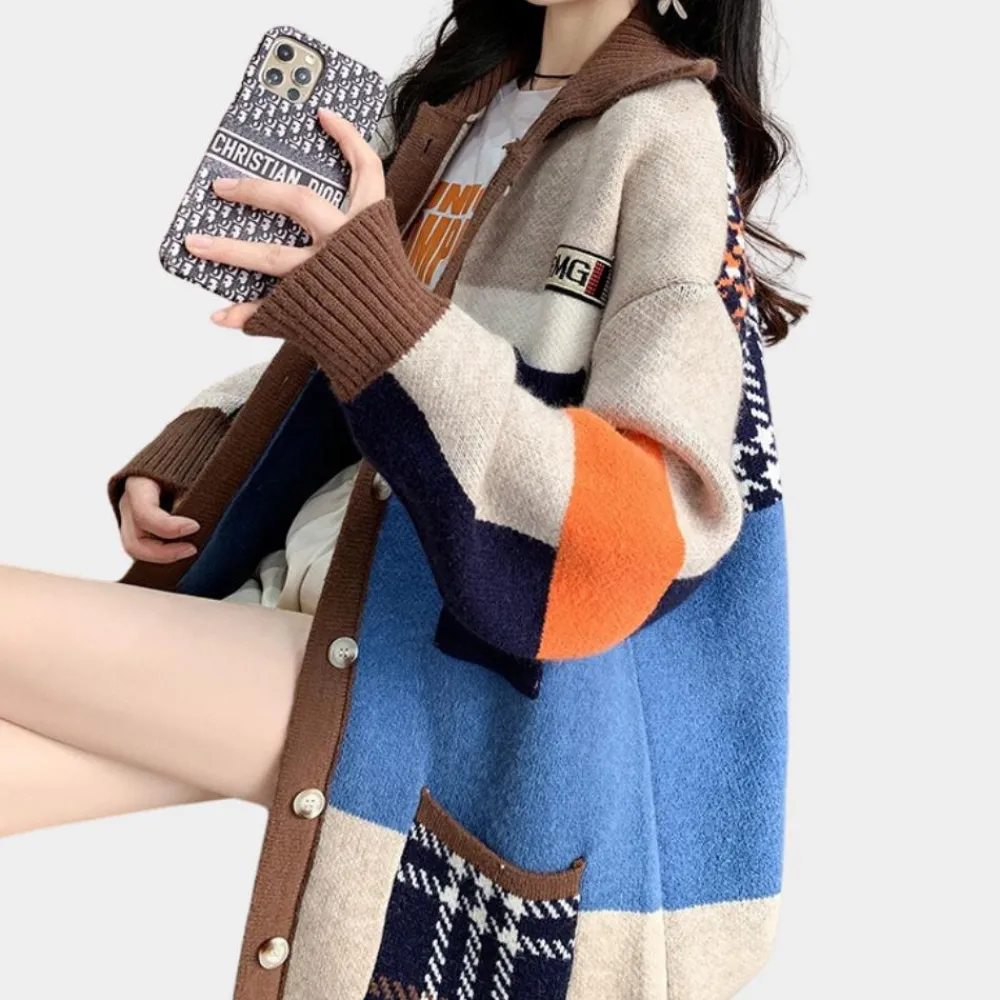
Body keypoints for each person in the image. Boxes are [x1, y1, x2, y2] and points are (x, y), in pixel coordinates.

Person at [0, 1, 805, 998]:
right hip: (308, 578)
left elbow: (648, 516)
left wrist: (378, 310)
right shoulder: (453, 106)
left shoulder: (663, 134)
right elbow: (372, 361)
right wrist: (204, 444)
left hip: (421, 653)